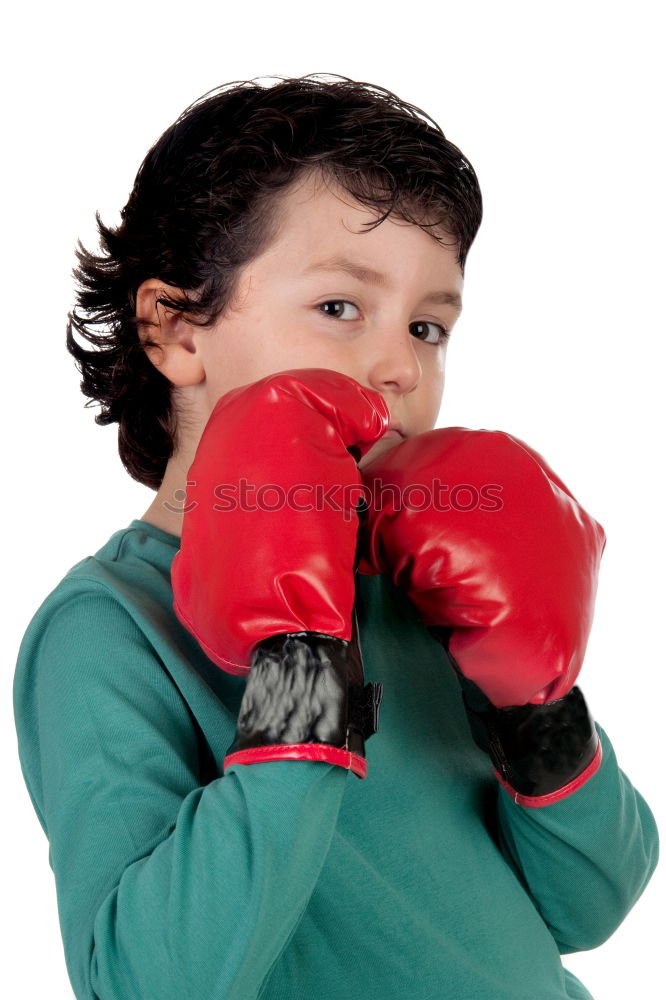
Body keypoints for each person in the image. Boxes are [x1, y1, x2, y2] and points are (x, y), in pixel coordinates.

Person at [13, 72, 658, 1000]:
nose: (400, 364)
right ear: (173, 327)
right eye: (341, 308)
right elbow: (144, 982)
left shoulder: (426, 584)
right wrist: (301, 670)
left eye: (429, 326)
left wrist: (537, 708)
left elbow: (589, 908)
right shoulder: (106, 627)